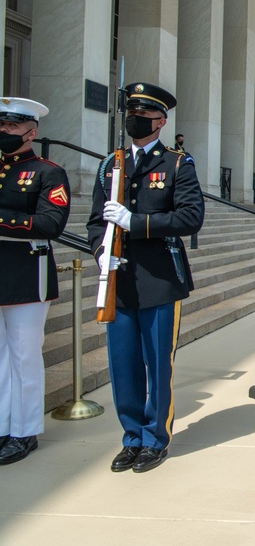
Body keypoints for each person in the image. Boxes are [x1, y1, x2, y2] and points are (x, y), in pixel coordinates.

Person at [87, 83, 204, 473]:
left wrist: (135, 223)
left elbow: (191, 218)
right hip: (118, 280)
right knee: (124, 365)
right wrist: (101, 250)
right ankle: (131, 436)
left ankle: (156, 438)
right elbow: (94, 222)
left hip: (159, 278)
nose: (134, 119)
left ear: (160, 121)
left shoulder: (176, 164)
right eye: (130, 112)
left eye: (143, 114)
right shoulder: (110, 165)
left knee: (157, 362)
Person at [0, 98, 71, 465]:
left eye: (11, 127)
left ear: (31, 132)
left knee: (24, 356)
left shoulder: (48, 173)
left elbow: (50, 224)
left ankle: (24, 432)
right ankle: (1, 426)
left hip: (27, 274)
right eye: (1, 126)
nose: (3, 133)